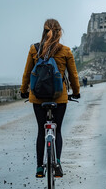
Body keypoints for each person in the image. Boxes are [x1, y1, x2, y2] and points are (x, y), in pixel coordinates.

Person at [20, 19, 80, 178]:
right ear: (59, 32)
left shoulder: (34, 49)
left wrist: (23, 91)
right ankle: (58, 162)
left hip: (38, 98)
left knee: (41, 130)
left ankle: (39, 168)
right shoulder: (66, 51)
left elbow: (27, 74)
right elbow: (73, 76)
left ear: (44, 31)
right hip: (59, 98)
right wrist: (76, 92)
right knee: (57, 130)